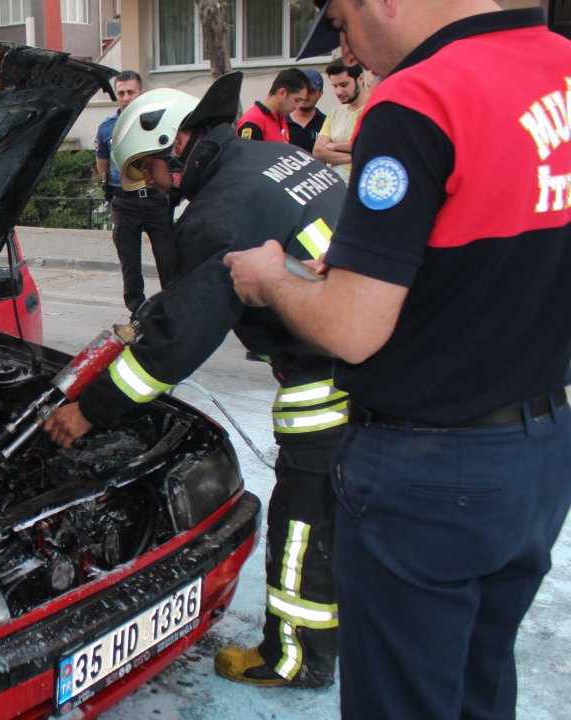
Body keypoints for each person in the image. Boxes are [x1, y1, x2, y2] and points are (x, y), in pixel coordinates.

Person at [224, 1, 571, 717]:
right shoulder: (560, 68)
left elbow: (351, 330)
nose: (349, 53)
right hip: (539, 453)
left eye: (344, 25)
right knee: (481, 683)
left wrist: (271, 279)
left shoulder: (420, 97)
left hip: (431, 473)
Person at [47, 72, 347, 690]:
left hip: (328, 384)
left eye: (148, 172)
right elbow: (189, 302)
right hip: (383, 365)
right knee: (353, 518)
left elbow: (174, 346)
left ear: (175, 146)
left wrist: (89, 411)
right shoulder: (280, 155)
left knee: (302, 523)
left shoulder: (216, 217)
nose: (155, 188)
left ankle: (294, 658)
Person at [96, 71, 178, 306]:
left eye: (131, 91)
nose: (126, 97)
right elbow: (102, 165)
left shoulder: (156, 122)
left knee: (167, 260)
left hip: (155, 199)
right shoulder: (106, 128)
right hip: (124, 201)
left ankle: (171, 309)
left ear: (141, 93)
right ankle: (136, 314)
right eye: (121, 93)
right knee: (130, 266)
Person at [312, 60, 367, 182]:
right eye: (334, 86)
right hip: (338, 191)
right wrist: (355, 156)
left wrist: (335, 145)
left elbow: (371, 146)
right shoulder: (335, 113)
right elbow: (318, 151)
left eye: (344, 85)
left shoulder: (376, 109)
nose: (338, 92)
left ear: (361, 79)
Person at [236, 68, 310, 143]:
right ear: (282, 93)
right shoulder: (253, 122)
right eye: (297, 100)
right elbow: (249, 153)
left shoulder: (281, 118)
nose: (297, 107)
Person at [287, 69, 327, 153]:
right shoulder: (281, 121)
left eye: (311, 91)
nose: (305, 96)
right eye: (302, 90)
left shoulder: (326, 123)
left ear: (320, 94)